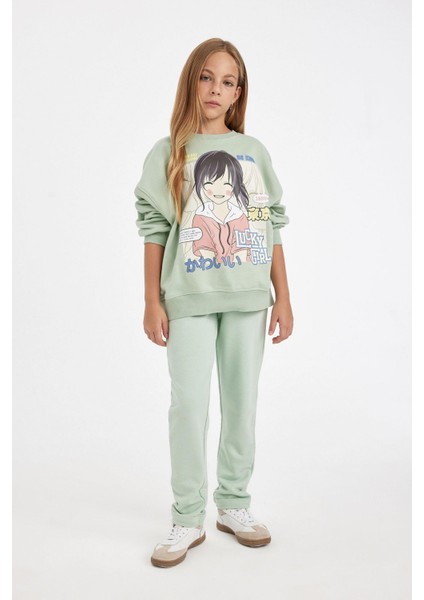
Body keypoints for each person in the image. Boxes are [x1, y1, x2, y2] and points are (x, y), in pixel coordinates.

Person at [133, 38, 294, 568]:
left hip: (249, 297)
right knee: (188, 406)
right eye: (206, 77)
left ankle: (234, 504)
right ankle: (187, 515)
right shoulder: (169, 152)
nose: (215, 90)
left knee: (242, 402)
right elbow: (154, 228)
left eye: (227, 81)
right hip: (188, 297)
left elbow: (268, 225)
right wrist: (152, 300)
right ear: (192, 82)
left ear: (238, 92)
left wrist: (283, 297)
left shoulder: (254, 152)